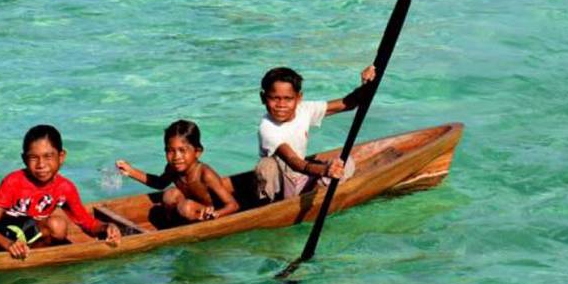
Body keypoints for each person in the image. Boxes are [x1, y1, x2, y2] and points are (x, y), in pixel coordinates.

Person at [0, 125, 121, 259]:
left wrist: (107, 227)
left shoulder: (65, 188)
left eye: (48, 156)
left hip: (26, 240)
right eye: (33, 158)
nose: (41, 165)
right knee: (57, 225)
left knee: (57, 226)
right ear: (24, 159)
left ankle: (36, 259)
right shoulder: (13, 182)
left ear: (61, 157)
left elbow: (88, 224)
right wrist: (9, 245)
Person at [255, 64, 377, 203]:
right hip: (282, 183)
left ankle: (314, 194)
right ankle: (271, 206)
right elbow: (294, 161)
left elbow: (348, 103)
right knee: (266, 165)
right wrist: (324, 170)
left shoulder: (304, 109)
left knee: (346, 162)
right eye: (274, 98)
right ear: (263, 98)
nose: (281, 105)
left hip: (303, 178)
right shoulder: (267, 128)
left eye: (288, 98)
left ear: (298, 98)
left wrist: (366, 84)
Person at [116, 119, 240, 222]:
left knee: (185, 207)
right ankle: (173, 226)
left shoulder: (205, 174)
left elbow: (233, 205)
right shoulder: (172, 169)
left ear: (197, 152)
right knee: (169, 195)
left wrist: (217, 214)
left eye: (182, 150)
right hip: (186, 209)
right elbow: (159, 183)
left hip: (208, 214)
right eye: (170, 151)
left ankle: (187, 227)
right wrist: (131, 172)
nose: (176, 157)